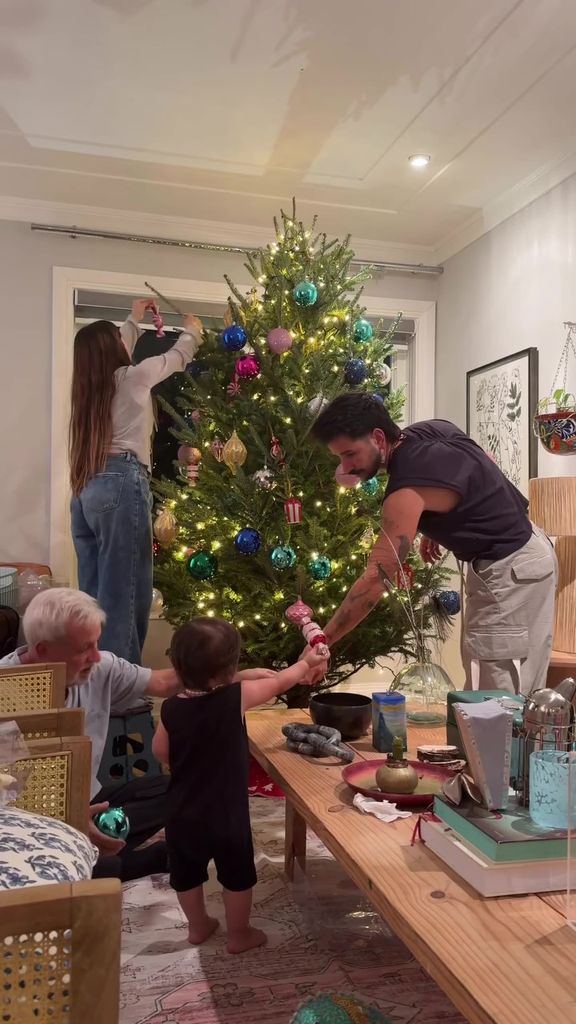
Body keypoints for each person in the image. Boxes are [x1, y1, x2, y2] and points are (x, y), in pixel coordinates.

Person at [310, 393, 558, 696]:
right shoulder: (428, 430)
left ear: (378, 438)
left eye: (350, 453)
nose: (346, 467)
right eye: (340, 458)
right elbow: (483, 461)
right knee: (496, 688)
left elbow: (377, 578)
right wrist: (438, 517)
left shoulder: (406, 487)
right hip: (529, 550)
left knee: (496, 701)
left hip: (510, 571)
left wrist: (323, 640)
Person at [151, 617, 328, 954]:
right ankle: (239, 933)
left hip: (182, 811)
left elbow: (160, 751)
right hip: (226, 812)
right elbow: (280, 683)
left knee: (186, 873)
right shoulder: (236, 697)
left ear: (178, 665)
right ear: (228, 668)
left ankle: (198, 926)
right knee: (236, 873)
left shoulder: (171, 707)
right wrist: (306, 662)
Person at [0, 588, 182, 880]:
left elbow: (164, 683)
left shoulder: (100, 666)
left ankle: (100, 851)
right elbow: (8, 798)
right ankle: (130, 861)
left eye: (96, 642)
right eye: (84, 648)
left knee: (182, 785)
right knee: (58, 869)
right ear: (43, 650)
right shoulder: (5, 690)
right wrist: (72, 821)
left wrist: (234, 679)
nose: (96, 656)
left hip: (90, 799)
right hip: (31, 817)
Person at [69, 298, 204, 664]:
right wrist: (193, 331)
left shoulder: (88, 389)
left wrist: (133, 318)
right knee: (126, 594)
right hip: (121, 481)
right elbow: (176, 358)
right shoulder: (130, 378)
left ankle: (95, 678)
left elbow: (118, 348)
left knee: (95, 596)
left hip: (86, 488)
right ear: (112, 350)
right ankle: (123, 687)